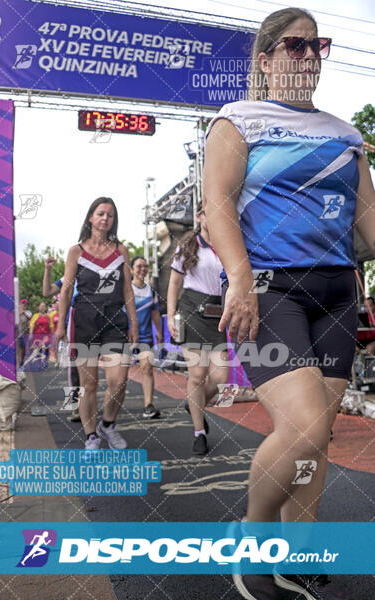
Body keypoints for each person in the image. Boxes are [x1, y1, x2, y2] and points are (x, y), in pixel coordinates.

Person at [204, 7, 375, 599]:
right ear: (266, 57)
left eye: (317, 45)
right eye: (296, 45)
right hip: (271, 289)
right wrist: (241, 275)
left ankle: (298, 551)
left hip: (337, 292)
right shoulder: (237, 121)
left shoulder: (345, 132)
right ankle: (254, 541)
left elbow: (369, 224)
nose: (308, 56)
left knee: (318, 437)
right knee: (302, 428)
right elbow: (218, 206)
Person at [56, 197, 138, 450]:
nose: (105, 218)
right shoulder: (76, 252)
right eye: (100, 213)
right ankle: (90, 435)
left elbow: (127, 290)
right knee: (88, 385)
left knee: (119, 380)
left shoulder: (121, 251)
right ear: (90, 217)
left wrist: (133, 324)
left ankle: (108, 424)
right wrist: (60, 325)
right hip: (84, 320)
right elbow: (66, 290)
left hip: (114, 319)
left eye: (110, 215)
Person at [167, 201, 229, 455]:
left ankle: (194, 403)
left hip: (218, 314)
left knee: (221, 376)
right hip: (191, 310)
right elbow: (173, 284)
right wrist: (171, 315)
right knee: (196, 375)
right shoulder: (188, 245)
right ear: (200, 217)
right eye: (209, 213)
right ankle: (198, 433)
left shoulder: (228, 244)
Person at [43, 257, 81, 420]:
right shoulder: (68, 277)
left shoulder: (97, 275)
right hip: (73, 328)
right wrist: (48, 269)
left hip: (94, 324)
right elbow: (47, 292)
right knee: (74, 368)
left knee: (90, 368)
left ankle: (87, 407)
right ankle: (76, 406)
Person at [129, 256, 163, 419]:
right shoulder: (126, 290)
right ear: (131, 270)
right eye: (138, 266)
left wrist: (160, 332)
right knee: (118, 377)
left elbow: (155, 313)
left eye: (145, 266)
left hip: (145, 337)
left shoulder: (151, 291)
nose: (142, 269)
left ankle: (148, 405)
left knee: (147, 368)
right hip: (126, 337)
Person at [28, 301, 53, 367]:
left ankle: (44, 363)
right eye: (41, 306)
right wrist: (30, 334)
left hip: (46, 336)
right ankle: (39, 363)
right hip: (37, 336)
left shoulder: (48, 316)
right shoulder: (35, 316)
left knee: (45, 349)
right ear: (38, 307)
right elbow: (32, 326)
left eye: (44, 306)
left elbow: (51, 326)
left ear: (45, 308)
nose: (42, 308)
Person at [18, 299, 32, 366]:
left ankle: (22, 361)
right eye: (23, 304)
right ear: (20, 304)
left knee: (24, 348)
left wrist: (23, 313)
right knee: (19, 348)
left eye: (26, 304)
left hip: (25, 333)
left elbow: (29, 318)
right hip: (18, 332)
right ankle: (20, 361)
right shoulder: (16, 312)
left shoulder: (28, 312)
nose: (24, 305)